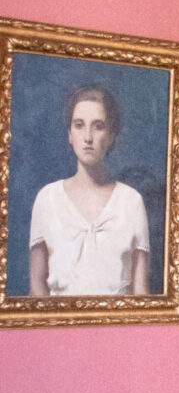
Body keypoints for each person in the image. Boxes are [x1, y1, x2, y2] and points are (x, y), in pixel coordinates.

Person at [29, 85, 150, 296]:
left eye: (98, 126)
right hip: (57, 327)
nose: (88, 137)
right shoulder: (47, 198)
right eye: (79, 125)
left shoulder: (131, 201)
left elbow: (140, 292)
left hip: (120, 326)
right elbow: (37, 289)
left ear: (111, 135)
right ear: (69, 134)